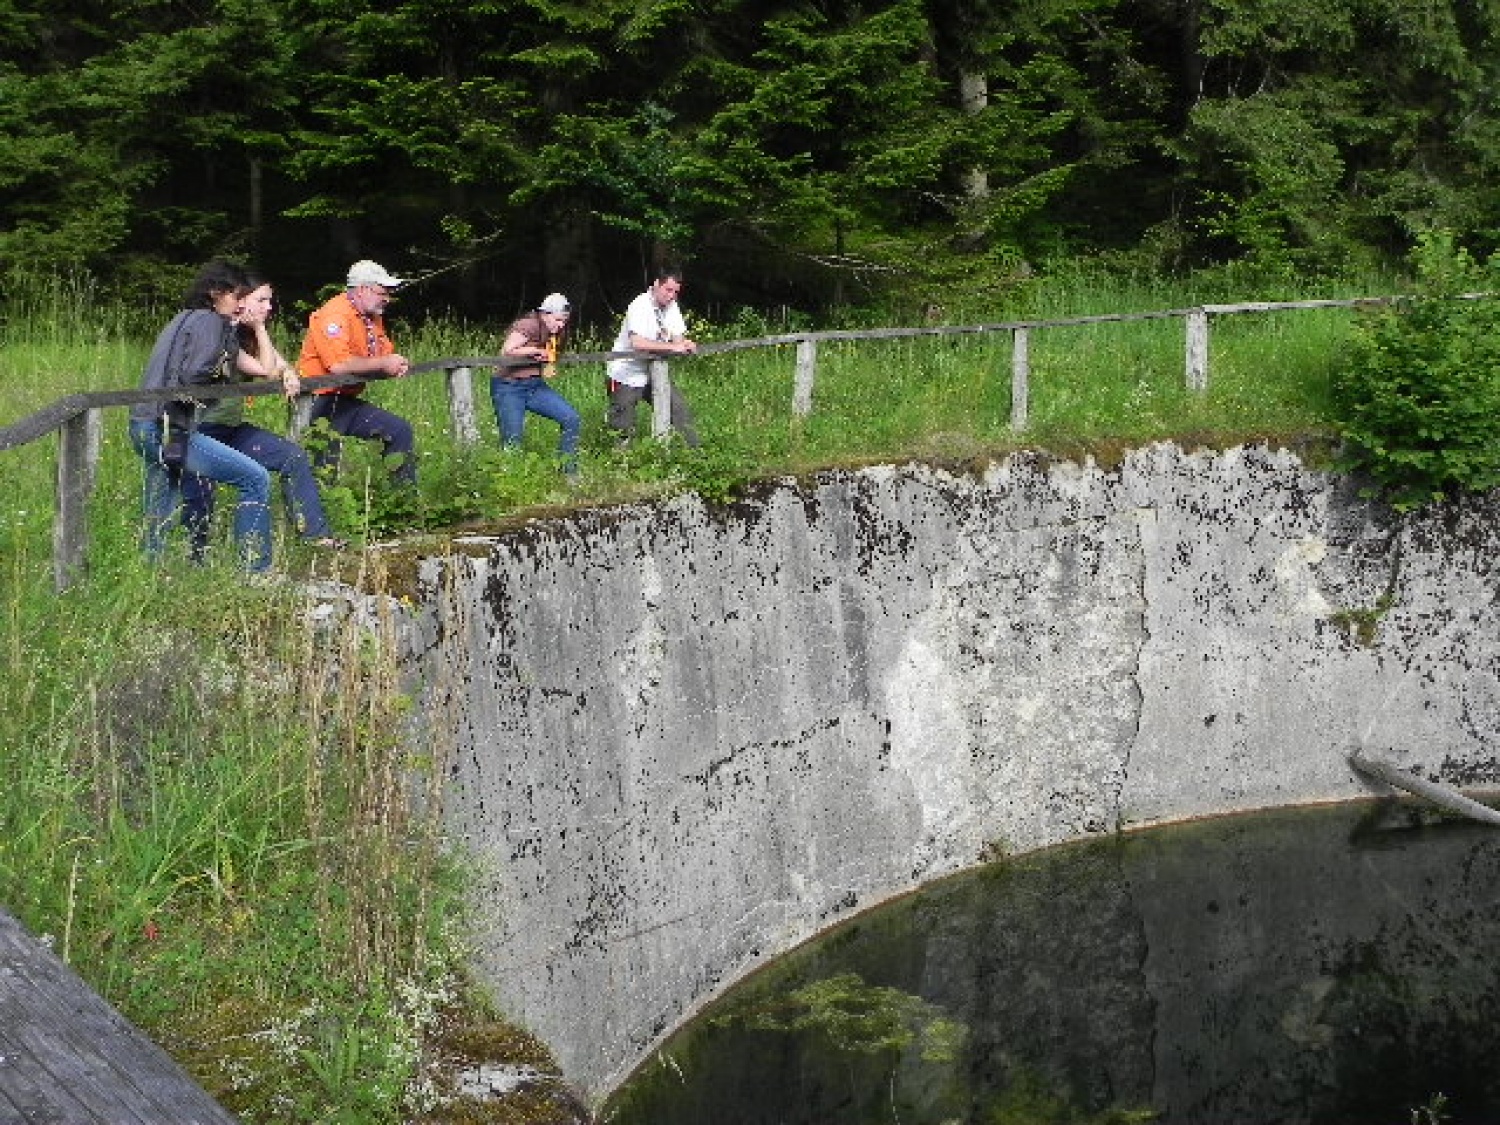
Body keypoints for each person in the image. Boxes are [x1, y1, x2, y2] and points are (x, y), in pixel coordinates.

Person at [126, 260, 275, 572]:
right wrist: (217, 381)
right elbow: (194, 376)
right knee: (255, 478)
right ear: (215, 294)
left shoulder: (185, 319)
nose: (240, 305)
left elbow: (264, 369)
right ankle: (254, 572)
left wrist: (242, 331)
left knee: (162, 500)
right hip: (168, 428)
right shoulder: (210, 324)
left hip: (143, 424)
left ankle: (151, 574)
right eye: (237, 297)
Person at [181, 274, 346, 551]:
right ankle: (195, 555)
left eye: (269, 300)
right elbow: (267, 371)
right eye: (261, 300)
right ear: (240, 300)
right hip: (200, 429)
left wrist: (288, 371)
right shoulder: (217, 331)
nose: (268, 307)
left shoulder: (247, 336)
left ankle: (315, 536)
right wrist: (261, 334)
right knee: (201, 492)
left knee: (292, 457)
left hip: (231, 429)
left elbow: (277, 366)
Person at [296, 259, 417, 484]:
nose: (387, 298)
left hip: (344, 400)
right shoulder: (334, 315)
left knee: (399, 431)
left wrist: (393, 363)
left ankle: (405, 502)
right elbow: (339, 366)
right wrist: (383, 364)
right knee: (323, 470)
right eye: (383, 292)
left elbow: (383, 352)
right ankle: (317, 514)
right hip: (317, 401)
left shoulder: (371, 317)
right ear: (362, 290)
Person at [606, 267, 701, 447]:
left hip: (653, 373)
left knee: (679, 411)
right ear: (657, 284)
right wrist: (674, 347)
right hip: (625, 373)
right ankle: (621, 466)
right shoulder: (640, 305)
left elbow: (677, 337)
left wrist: (686, 344)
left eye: (675, 292)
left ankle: (696, 456)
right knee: (622, 426)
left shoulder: (672, 306)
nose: (672, 295)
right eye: (668, 290)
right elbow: (638, 343)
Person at [495, 292, 581, 475]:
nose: (561, 325)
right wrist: (534, 350)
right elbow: (507, 350)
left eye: (564, 321)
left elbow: (552, 355)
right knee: (512, 439)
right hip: (509, 386)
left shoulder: (556, 332)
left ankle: (568, 471)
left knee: (571, 418)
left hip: (534, 385)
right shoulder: (530, 324)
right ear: (545, 314)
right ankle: (510, 482)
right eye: (558, 320)